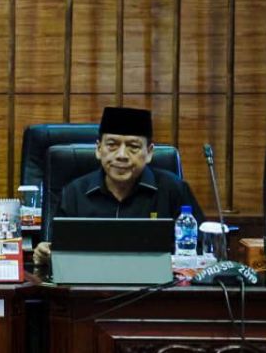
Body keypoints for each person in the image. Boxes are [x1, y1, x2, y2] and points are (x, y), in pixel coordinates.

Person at [33, 106, 204, 266]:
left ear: (149, 152)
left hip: (157, 285)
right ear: (98, 149)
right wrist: (46, 253)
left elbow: (201, 249)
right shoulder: (74, 193)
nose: (121, 155)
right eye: (112, 145)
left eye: (133, 147)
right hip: (88, 285)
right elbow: (58, 250)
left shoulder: (173, 190)